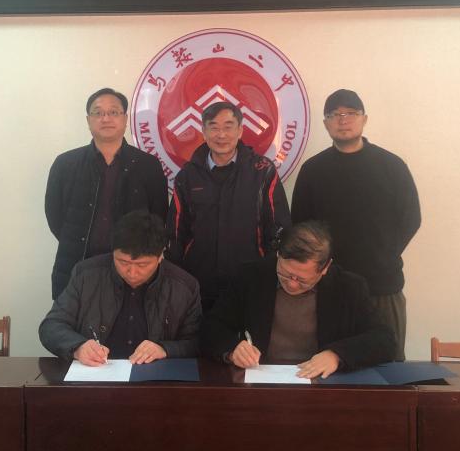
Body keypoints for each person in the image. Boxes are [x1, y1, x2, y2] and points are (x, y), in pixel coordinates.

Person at [291, 89, 420, 360]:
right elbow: (300, 226)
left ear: (364, 119)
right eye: (334, 115)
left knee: (388, 364)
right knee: (327, 364)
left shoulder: (391, 166)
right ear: (325, 123)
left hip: (381, 285)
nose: (343, 120)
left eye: (351, 113)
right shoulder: (313, 170)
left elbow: (411, 218)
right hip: (329, 288)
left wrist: (384, 254)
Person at [200, 221, 396, 377]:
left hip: (322, 383)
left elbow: (384, 339)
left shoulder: (348, 287)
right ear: (278, 255)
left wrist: (337, 355)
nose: (292, 285)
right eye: (285, 274)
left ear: (325, 268)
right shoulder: (251, 276)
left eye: (302, 280)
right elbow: (212, 326)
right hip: (262, 378)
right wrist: (232, 349)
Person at [45, 88, 168, 298]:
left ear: (125, 119)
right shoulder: (65, 164)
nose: (106, 118)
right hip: (76, 265)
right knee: (73, 318)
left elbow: (158, 216)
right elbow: (55, 216)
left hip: (131, 269)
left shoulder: (148, 165)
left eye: (113, 112)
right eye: (98, 112)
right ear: (88, 120)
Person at [167, 100, 290, 311]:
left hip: (249, 281)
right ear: (204, 132)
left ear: (240, 130)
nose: (221, 135)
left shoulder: (262, 171)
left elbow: (279, 227)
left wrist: (268, 274)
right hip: (198, 283)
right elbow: (176, 233)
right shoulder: (187, 176)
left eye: (228, 126)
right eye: (213, 127)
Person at [39, 210, 201, 364]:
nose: (132, 272)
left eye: (142, 265)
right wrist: (78, 346)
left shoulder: (184, 287)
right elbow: (51, 326)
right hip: (98, 374)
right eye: (123, 262)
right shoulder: (86, 275)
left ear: (160, 256)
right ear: (113, 253)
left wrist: (165, 349)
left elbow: (196, 342)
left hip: (155, 377)